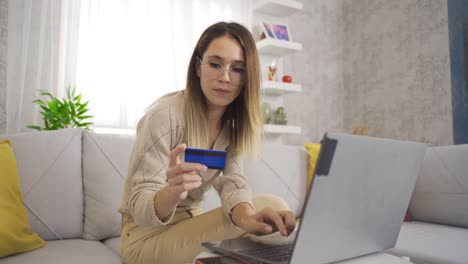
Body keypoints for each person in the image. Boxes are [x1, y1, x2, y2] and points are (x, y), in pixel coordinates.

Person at [119, 21, 296, 264]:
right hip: (144, 237)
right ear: (198, 67)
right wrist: (171, 192)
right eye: (215, 64)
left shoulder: (233, 127)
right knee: (266, 210)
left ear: (247, 77)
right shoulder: (164, 116)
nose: (225, 77)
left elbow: (233, 183)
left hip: (190, 224)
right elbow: (138, 205)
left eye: (238, 69)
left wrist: (247, 219)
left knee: (274, 206)